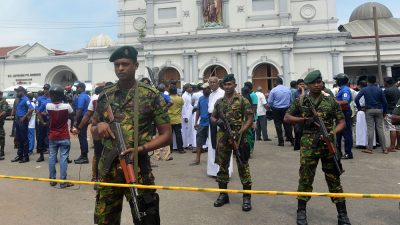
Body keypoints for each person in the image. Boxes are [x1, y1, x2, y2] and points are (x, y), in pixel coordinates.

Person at [91, 46, 171, 224]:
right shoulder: (105, 97)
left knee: (146, 219)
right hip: (109, 171)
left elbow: (166, 135)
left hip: (137, 168)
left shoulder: (150, 95)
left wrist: (141, 149)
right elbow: (94, 131)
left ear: (135, 65)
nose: (120, 68)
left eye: (125, 64)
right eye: (117, 65)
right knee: (105, 220)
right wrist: (100, 127)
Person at [284, 70, 351, 225]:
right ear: (307, 85)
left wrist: (331, 132)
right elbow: (287, 117)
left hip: (329, 145)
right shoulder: (301, 101)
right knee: (306, 178)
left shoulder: (331, 101)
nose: (317, 84)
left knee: (334, 178)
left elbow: (342, 122)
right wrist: (304, 120)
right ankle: (301, 213)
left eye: (319, 81)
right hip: (309, 146)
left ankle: (342, 214)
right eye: (313, 82)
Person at [211, 74, 254, 211]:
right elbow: (212, 117)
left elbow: (249, 118)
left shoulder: (242, 100)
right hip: (223, 138)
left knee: (243, 166)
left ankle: (246, 198)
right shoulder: (219, 102)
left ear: (235, 84)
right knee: (222, 166)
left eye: (230, 84)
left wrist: (241, 132)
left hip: (239, 138)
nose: (227, 87)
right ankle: (223, 195)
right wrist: (217, 122)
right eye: (225, 84)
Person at [46, 85, 74, 188]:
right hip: (64, 135)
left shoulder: (48, 106)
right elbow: (73, 114)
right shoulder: (66, 106)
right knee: (63, 158)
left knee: (52, 157)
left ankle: (52, 180)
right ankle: (63, 181)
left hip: (53, 136)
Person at [76, 85, 104, 185]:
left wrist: (78, 127)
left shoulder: (93, 98)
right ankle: (104, 177)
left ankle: (95, 177)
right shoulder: (110, 96)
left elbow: (87, 114)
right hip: (111, 130)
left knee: (97, 154)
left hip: (96, 129)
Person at [355, 75, 388, 154]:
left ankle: (369, 149)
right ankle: (384, 149)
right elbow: (385, 102)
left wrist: (359, 108)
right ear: (375, 81)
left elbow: (356, 99)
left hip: (369, 110)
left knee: (370, 129)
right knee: (380, 129)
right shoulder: (379, 90)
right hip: (379, 110)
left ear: (368, 81)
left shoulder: (364, 89)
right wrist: (385, 112)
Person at [11, 86, 34, 163]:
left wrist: (24, 117)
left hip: (22, 121)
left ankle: (26, 156)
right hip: (17, 120)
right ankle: (20, 155)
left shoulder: (26, 99)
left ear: (22, 92)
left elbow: (31, 109)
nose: (17, 93)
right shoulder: (19, 99)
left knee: (24, 139)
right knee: (18, 138)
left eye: (18, 91)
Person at [267, 77, 293, 146]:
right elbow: (291, 101)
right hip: (286, 108)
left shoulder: (273, 90)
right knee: (287, 125)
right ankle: (292, 140)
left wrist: (272, 107)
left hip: (276, 109)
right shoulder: (288, 90)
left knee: (278, 125)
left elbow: (270, 101)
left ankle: (281, 141)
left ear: (276, 82)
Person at [207, 76, 225, 176]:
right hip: (211, 119)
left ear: (218, 83)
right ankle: (213, 171)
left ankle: (221, 170)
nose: (212, 84)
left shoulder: (222, 93)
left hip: (218, 120)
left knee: (219, 145)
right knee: (212, 144)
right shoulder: (210, 94)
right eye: (210, 82)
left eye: (214, 82)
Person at [190, 83, 211, 165]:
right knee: (199, 143)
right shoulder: (201, 99)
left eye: (206, 89)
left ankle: (214, 160)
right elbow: (198, 111)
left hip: (211, 124)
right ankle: (197, 159)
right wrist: (196, 122)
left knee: (213, 143)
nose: (205, 90)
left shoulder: (212, 98)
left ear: (209, 89)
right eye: (203, 89)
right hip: (202, 123)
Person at [334, 74, 353, 159]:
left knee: (346, 133)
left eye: (337, 80)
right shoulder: (341, 89)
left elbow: (345, 101)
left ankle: (348, 153)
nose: (336, 81)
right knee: (338, 133)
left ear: (340, 81)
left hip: (344, 113)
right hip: (340, 113)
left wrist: (333, 102)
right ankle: (338, 153)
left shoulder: (345, 90)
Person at [73, 82, 91, 164]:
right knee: (82, 136)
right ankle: (83, 155)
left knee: (82, 137)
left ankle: (84, 157)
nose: (76, 89)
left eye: (77, 88)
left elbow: (79, 109)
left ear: (81, 88)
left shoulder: (81, 97)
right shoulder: (87, 96)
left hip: (82, 118)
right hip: (86, 118)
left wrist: (76, 120)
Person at [355, 80, 376, 148]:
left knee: (361, 128)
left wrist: (359, 107)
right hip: (370, 110)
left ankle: (361, 143)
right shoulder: (371, 92)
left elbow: (356, 100)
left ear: (360, 86)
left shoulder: (358, 92)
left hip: (361, 111)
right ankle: (372, 143)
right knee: (370, 127)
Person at [383, 77, 400, 152]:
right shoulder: (397, 89)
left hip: (390, 111)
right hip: (398, 111)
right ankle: (398, 145)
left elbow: (384, 102)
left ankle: (392, 146)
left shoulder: (387, 91)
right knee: (398, 129)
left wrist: (384, 112)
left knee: (392, 129)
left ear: (386, 82)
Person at [36, 84, 52, 162]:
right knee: (41, 138)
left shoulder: (52, 98)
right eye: (45, 89)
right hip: (42, 121)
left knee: (51, 138)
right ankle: (41, 155)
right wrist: (42, 115)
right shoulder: (39, 99)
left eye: (47, 89)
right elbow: (37, 110)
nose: (46, 90)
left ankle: (52, 156)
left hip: (50, 121)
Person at [168, 86, 185, 153]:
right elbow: (182, 104)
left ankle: (170, 149)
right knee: (178, 135)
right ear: (176, 91)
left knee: (169, 135)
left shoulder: (168, 98)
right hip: (177, 119)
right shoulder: (180, 98)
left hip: (169, 119)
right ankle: (180, 149)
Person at [293, 79, 305, 151]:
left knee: (304, 130)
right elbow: (294, 102)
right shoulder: (295, 93)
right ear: (297, 85)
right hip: (297, 114)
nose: (302, 86)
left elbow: (303, 99)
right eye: (300, 84)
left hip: (306, 114)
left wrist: (303, 90)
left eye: (303, 84)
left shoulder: (308, 92)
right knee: (297, 130)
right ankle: (297, 145)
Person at [182, 83, 194, 149]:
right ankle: (186, 144)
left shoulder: (189, 95)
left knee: (189, 129)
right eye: (189, 87)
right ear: (186, 88)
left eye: (191, 87)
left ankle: (189, 143)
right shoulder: (184, 96)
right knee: (186, 130)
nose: (191, 88)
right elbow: (183, 106)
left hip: (190, 114)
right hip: (187, 115)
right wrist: (185, 116)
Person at [0, 91, 9, 160]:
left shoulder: (4, 102)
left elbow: (4, 111)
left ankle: (2, 151)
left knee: (1, 136)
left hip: (0, 121)